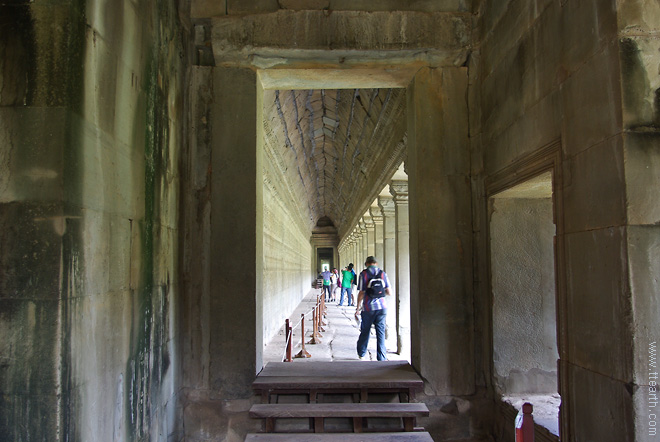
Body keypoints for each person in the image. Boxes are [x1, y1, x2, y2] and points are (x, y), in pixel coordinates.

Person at [355, 256, 391, 361]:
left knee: (365, 330)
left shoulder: (363, 274)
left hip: (368, 308)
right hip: (382, 308)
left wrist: (358, 307)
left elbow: (361, 292)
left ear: (366, 264)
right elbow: (389, 292)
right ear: (376, 263)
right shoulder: (383, 274)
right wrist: (379, 293)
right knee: (380, 333)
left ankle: (361, 353)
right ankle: (382, 358)